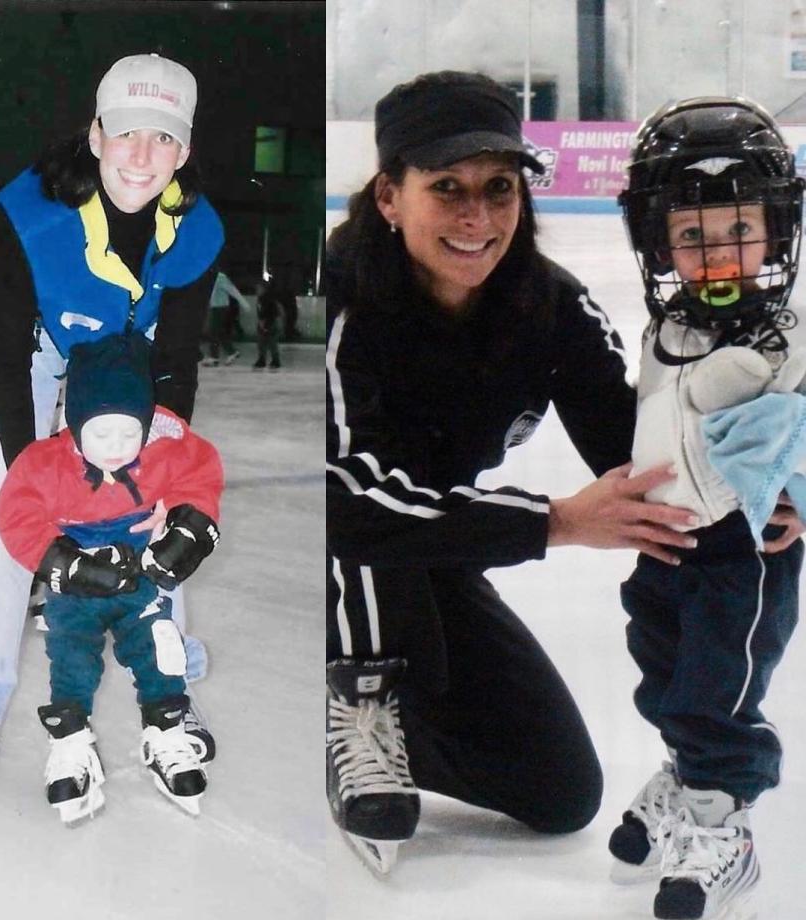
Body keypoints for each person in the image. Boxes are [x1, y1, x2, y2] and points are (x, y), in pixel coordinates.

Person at [325, 70, 749, 876]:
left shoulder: (547, 305)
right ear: (389, 196)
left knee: (557, 791)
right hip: (342, 572)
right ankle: (358, 702)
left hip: (436, 560)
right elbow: (343, 502)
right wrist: (552, 522)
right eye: (445, 187)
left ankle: (340, 720)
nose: (477, 216)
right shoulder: (345, 303)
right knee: (362, 522)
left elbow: (637, 458)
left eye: (499, 187)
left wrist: (759, 482)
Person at [0, 52, 224, 791]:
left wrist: (158, 477)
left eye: (162, 139)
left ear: (183, 151)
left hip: (134, 345)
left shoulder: (196, 230)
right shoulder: (31, 214)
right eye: (126, 133)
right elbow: (3, 358)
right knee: (6, 503)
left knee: (151, 501)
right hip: (30, 340)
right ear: (95, 135)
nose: (141, 156)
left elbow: (179, 362)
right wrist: (41, 504)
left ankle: (170, 686)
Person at [607, 97, 806, 920]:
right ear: (659, 244)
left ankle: (725, 816)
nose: (716, 254)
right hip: (668, 541)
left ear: (776, 234)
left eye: (737, 232)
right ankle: (688, 771)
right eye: (692, 237)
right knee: (659, 659)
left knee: (717, 685)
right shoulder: (666, 332)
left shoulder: (792, 336)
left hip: (748, 548)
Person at [0, 333, 222, 824]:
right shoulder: (44, 463)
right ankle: (71, 743)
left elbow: (200, 472)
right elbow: (16, 516)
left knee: (159, 652)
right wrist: (63, 563)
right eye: (101, 436)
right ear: (75, 424)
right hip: (75, 590)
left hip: (141, 579)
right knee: (72, 660)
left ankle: (165, 735)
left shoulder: (165, 447)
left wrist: (192, 525)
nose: (117, 449)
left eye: (129, 434)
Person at [202, 268, 249, 365]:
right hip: (215, 307)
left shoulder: (220, 278)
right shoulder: (210, 278)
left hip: (221, 307)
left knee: (213, 331)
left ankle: (215, 357)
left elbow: (232, 290)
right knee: (218, 331)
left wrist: (244, 303)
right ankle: (231, 352)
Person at [254, 277, 282, 370]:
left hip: (271, 323)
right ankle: (262, 360)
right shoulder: (261, 298)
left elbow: (271, 312)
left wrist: (265, 323)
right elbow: (261, 312)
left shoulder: (268, 299)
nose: (257, 290)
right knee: (262, 342)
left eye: (259, 288)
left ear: (264, 289)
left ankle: (275, 360)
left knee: (271, 343)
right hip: (265, 323)